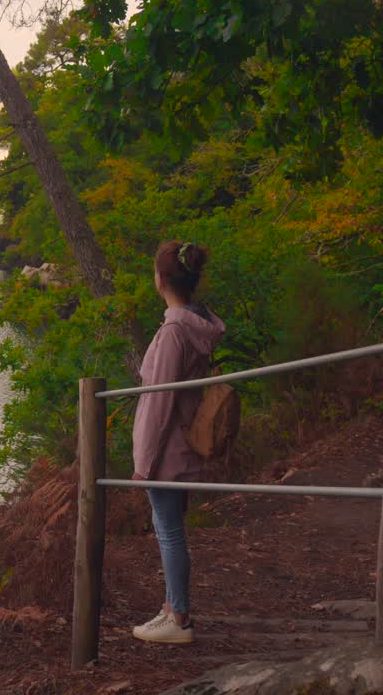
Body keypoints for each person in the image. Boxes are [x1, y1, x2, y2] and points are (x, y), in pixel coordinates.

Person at [131, 240, 225, 645]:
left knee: (168, 532)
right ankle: (172, 606)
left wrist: (144, 462)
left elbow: (159, 400)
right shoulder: (194, 321)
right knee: (169, 528)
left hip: (167, 447)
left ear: (161, 279)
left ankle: (179, 617)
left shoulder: (174, 331)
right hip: (180, 440)